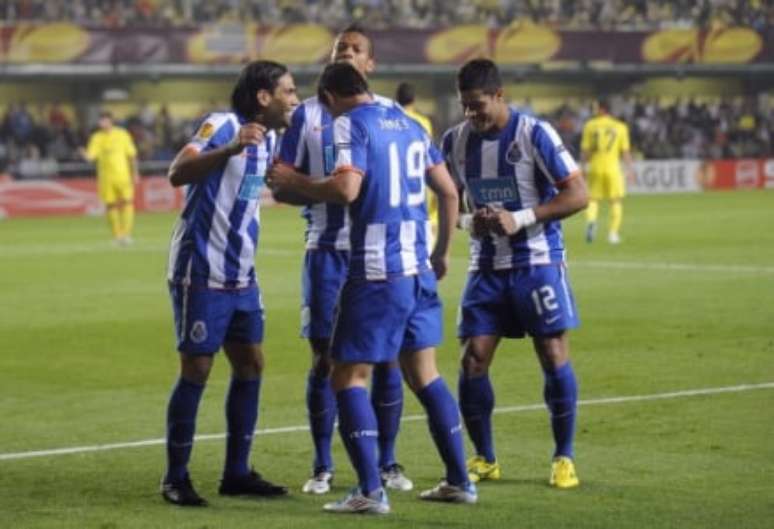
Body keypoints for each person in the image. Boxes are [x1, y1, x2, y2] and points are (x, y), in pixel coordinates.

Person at [267, 62, 476, 514]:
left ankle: (369, 490)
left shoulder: (347, 123)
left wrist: (294, 182)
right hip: (417, 266)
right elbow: (449, 191)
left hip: (377, 269)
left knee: (346, 374)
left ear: (328, 96)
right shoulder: (408, 123)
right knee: (425, 374)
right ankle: (460, 480)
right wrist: (441, 252)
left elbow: (345, 188)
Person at [274, 24, 412, 495]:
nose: (349, 53)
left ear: (370, 65)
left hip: (380, 255)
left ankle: (387, 463)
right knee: (323, 359)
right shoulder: (306, 117)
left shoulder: (391, 114)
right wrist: (318, 190)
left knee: (388, 359)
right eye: (341, 49)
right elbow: (279, 182)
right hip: (327, 253)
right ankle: (322, 464)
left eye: (357, 50)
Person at [440, 59, 588, 489]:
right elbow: (448, 202)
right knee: (473, 360)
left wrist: (520, 217)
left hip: (536, 263)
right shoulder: (455, 142)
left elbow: (579, 194)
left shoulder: (534, 134)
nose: (472, 115)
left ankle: (564, 457)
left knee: (553, 353)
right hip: (485, 267)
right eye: (465, 106)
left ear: (500, 96)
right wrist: (470, 223)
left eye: (479, 105)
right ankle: (485, 458)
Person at [160, 60, 299, 507]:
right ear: (264, 96)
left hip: (242, 275)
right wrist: (230, 150)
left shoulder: (274, 138)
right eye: (289, 92)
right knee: (197, 368)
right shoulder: (221, 125)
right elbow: (178, 172)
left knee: (251, 364)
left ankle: (236, 472)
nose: (294, 100)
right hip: (200, 269)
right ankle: (175, 478)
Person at [79, 111, 139, 246]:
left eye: (104, 120)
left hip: (123, 175)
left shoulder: (122, 134)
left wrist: (135, 173)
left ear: (110, 121)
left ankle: (127, 234)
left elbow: (132, 155)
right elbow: (91, 157)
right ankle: (117, 236)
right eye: (100, 121)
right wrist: (84, 154)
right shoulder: (96, 138)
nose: (101, 123)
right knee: (110, 206)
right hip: (106, 178)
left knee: (127, 203)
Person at [580, 98, 632, 244]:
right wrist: (630, 170)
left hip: (595, 167)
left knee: (592, 199)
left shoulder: (590, 125)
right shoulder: (620, 126)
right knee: (616, 200)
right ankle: (613, 234)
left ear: (602, 109)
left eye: (597, 108)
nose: (595, 110)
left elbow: (585, 150)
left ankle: (591, 222)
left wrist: (583, 168)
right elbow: (625, 152)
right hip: (613, 168)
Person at [395, 82, 439, 241]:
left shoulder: (390, 120)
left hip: (395, 177)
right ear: (413, 100)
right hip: (418, 178)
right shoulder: (423, 122)